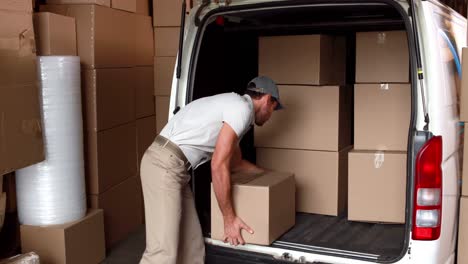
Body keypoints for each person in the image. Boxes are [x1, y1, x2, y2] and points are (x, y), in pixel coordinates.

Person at [139, 76, 283, 264]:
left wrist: (272, 177)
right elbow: (218, 165)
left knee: (192, 248)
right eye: (274, 107)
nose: (271, 113)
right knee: (163, 252)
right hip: (163, 165)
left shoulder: (235, 110)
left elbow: (235, 164)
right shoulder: (241, 110)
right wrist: (229, 219)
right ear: (267, 99)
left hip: (176, 170)